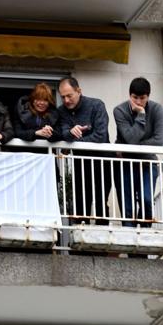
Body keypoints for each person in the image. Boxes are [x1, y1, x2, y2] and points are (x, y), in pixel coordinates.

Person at [57, 76, 110, 224]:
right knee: (81, 201)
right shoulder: (62, 111)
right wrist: (70, 133)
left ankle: (103, 236)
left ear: (79, 91)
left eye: (69, 95)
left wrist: (77, 141)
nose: (66, 100)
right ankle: (80, 236)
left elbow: (100, 136)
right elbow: (63, 133)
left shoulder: (96, 105)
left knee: (101, 201)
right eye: (62, 97)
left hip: (103, 161)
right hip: (81, 163)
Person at [113, 77, 163, 227]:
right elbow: (130, 139)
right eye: (134, 97)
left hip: (147, 163)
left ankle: (145, 234)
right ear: (129, 95)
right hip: (124, 164)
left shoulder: (156, 109)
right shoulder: (120, 111)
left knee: (147, 199)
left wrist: (133, 147)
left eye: (142, 98)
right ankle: (131, 244)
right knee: (127, 208)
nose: (138, 102)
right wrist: (141, 116)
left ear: (148, 97)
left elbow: (159, 141)